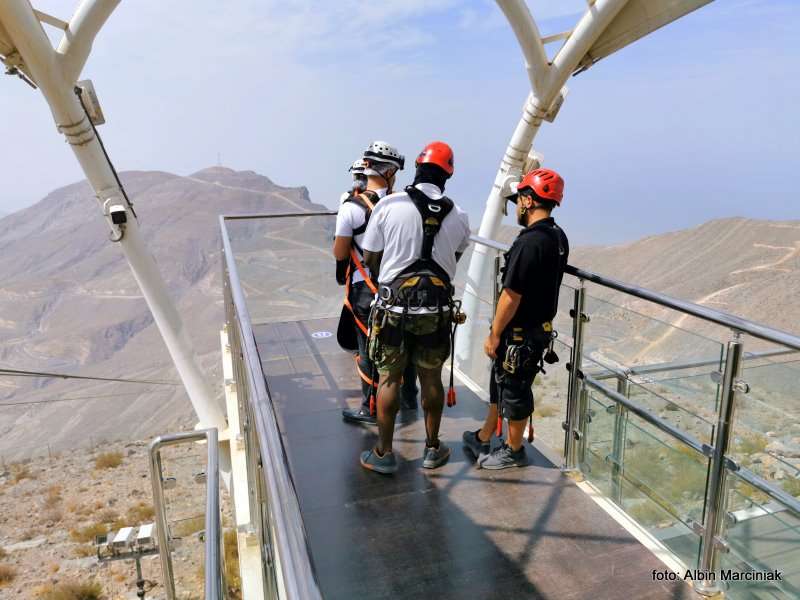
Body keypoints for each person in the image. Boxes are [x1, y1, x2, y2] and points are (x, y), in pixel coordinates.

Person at [359, 141, 470, 474]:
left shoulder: (390, 205)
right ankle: (433, 448)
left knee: (389, 378)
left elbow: (370, 258)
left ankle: (383, 453)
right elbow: (454, 260)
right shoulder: (459, 216)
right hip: (435, 313)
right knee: (431, 379)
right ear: (446, 176)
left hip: (392, 309)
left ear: (418, 169)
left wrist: (391, 279)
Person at [462, 168, 569, 470]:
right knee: (502, 382)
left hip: (520, 331)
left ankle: (514, 450)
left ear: (529, 200)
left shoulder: (530, 242)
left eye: (521, 197)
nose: (518, 205)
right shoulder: (557, 237)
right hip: (536, 329)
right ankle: (485, 435)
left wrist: (494, 334)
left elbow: (511, 295)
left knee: (515, 388)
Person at [333, 142, 418, 425]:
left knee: (366, 348)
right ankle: (406, 396)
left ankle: (369, 407)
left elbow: (340, 252)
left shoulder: (350, 209)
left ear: (367, 167)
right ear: (391, 171)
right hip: (398, 289)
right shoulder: (403, 205)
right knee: (400, 345)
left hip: (363, 290)